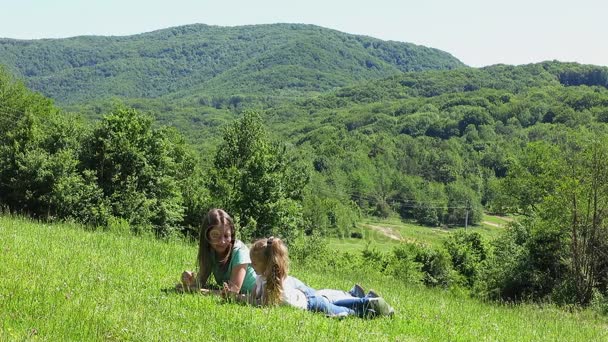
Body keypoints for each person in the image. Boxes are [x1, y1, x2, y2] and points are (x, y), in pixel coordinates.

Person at [240, 236, 394, 318]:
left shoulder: (274, 285)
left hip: (313, 304)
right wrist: (237, 297)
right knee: (335, 304)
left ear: (266, 265)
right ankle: (360, 298)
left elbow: (259, 304)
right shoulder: (263, 277)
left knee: (343, 311)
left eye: (254, 263)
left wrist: (238, 298)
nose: (251, 265)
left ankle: (371, 305)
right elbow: (253, 298)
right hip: (309, 297)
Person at [179, 208, 256, 295]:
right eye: (216, 235)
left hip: (258, 294)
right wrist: (189, 281)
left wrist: (197, 291)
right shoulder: (211, 251)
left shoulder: (239, 252)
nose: (222, 241)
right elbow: (199, 282)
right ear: (207, 236)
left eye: (226, 236)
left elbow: (232, 292)